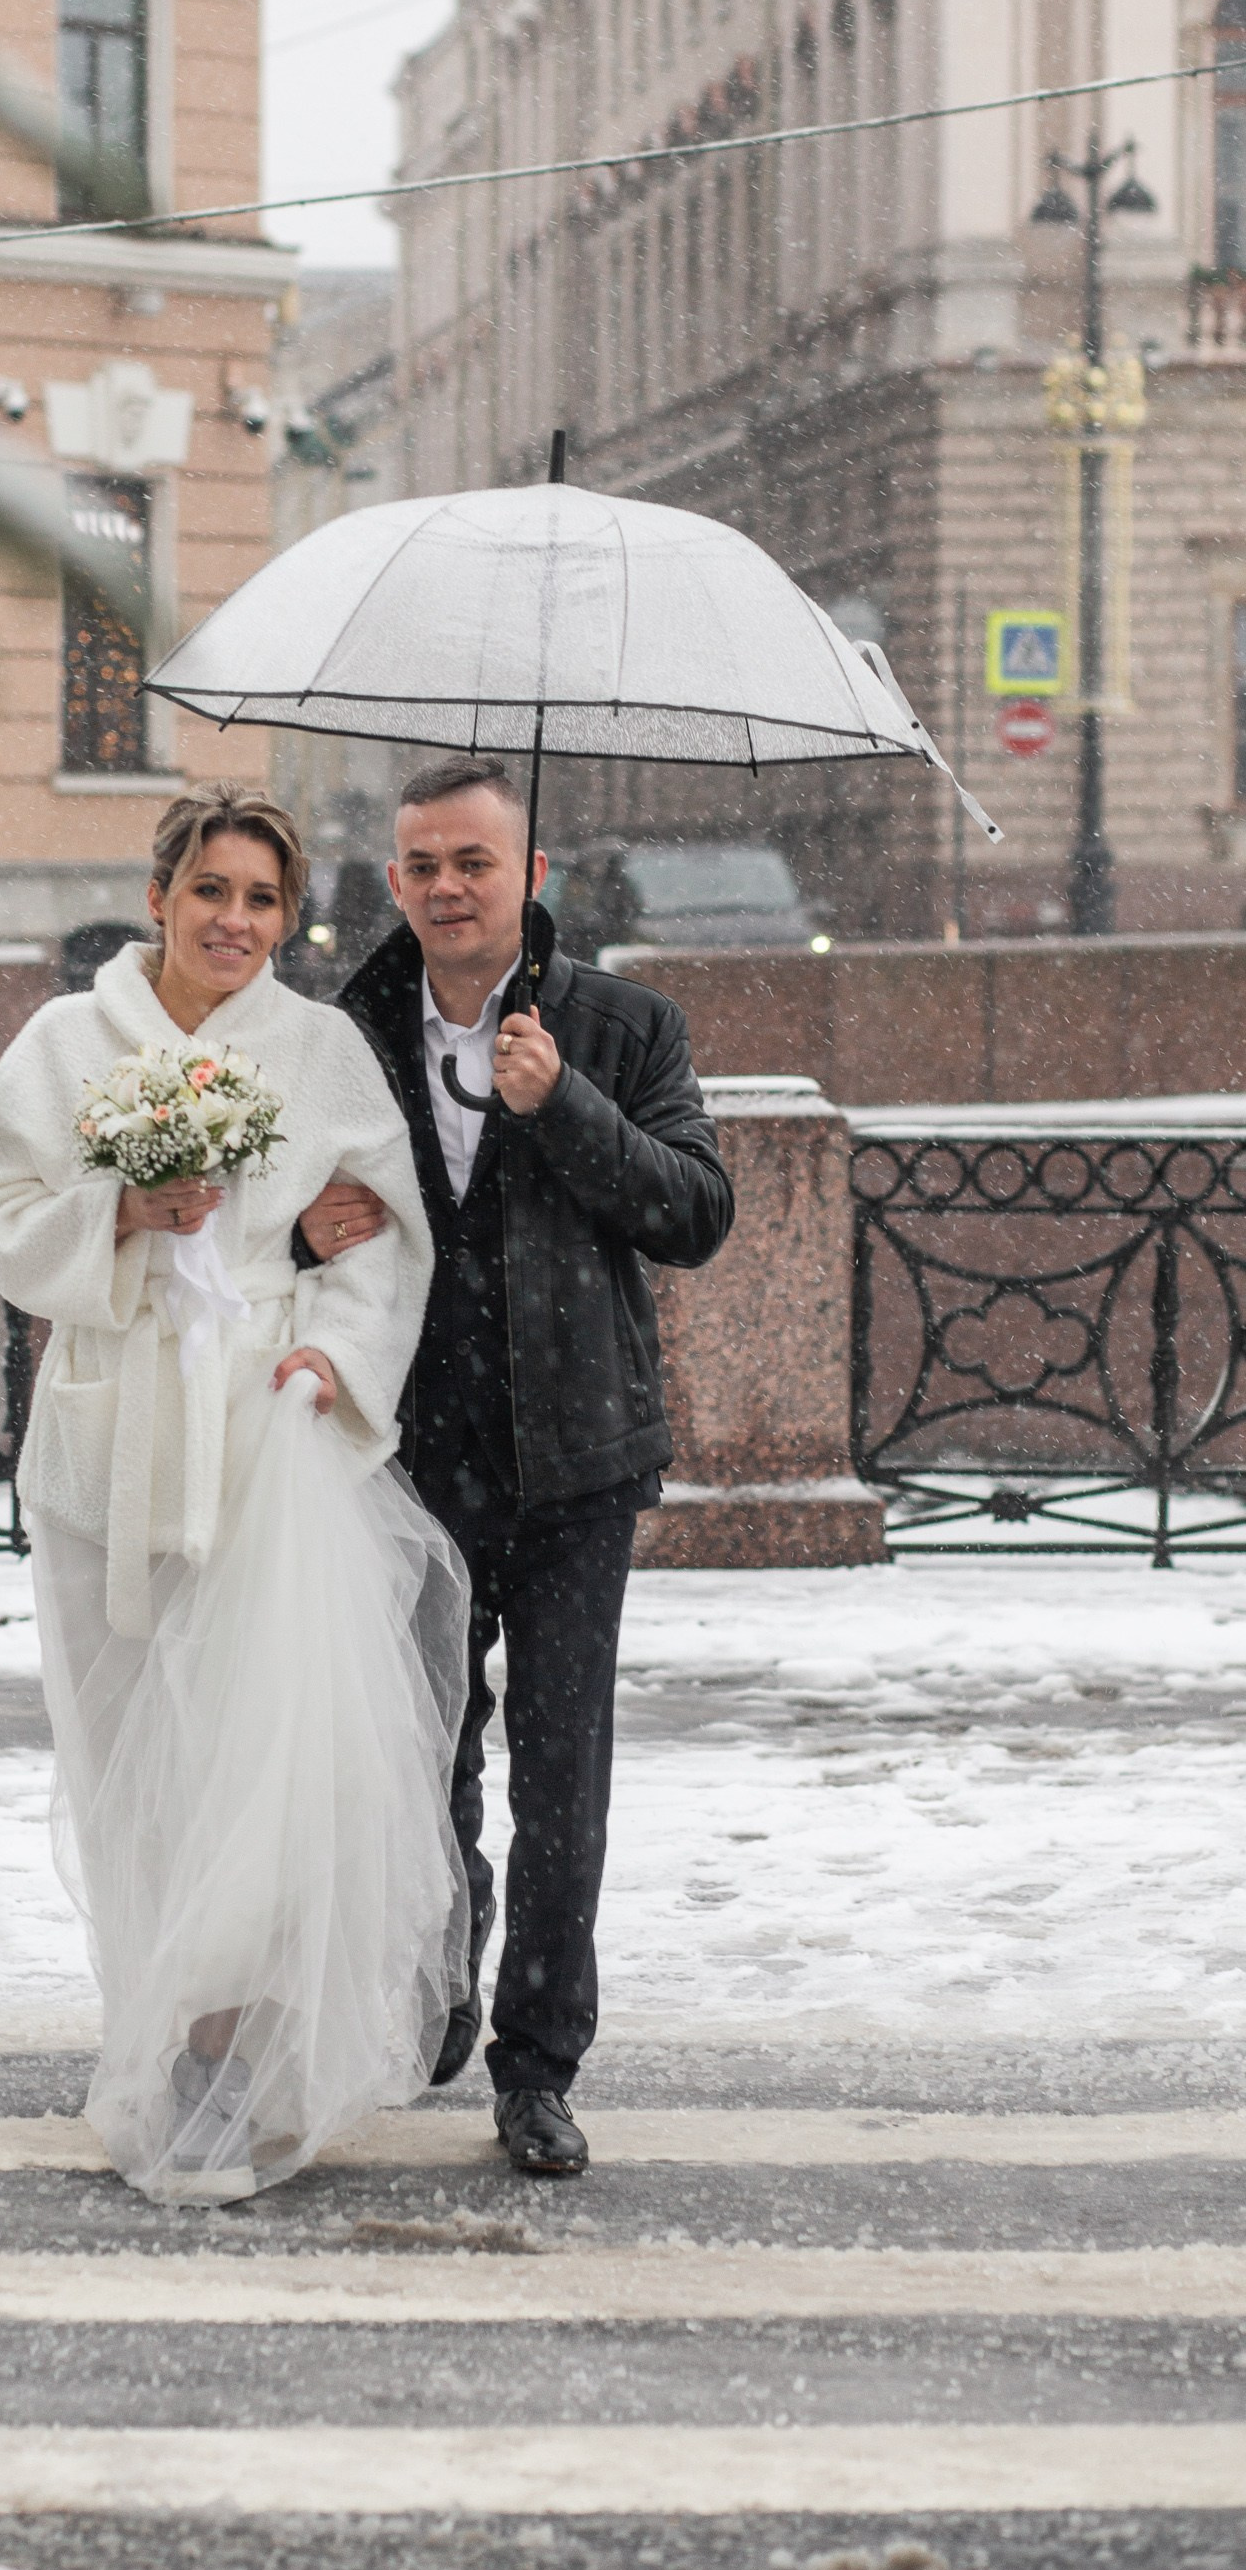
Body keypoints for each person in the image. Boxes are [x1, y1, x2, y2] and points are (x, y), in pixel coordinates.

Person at [0, 787, 468, 2207]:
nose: (234, 922)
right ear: (160, 896)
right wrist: (118, 1213)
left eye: (262, 900)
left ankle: (234, 2054)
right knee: (132, 1758)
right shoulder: (70, 1044)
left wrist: (331, 1354)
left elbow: (383, 1241)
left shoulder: (318, 1052)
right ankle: (163, 2025)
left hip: (259, 1437)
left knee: (256, 1751)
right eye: (211, 891)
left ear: (286, 916)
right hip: (109, 1444)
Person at [297, 754, 734, 2177]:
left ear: (529, 874)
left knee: (562, 1780)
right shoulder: (342, 1032)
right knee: (418, 1758)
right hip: (406, 1456)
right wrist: (298, 1234)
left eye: (473, 862)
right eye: (422, 865)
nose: (446, 888)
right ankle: (442, 1968)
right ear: (394, 880)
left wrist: (567, 1106)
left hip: (576, 1459)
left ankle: (538, 2066)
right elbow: (268, 1217)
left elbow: (696, 1213)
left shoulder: (622, 1025)